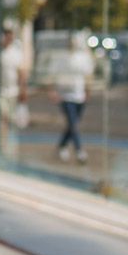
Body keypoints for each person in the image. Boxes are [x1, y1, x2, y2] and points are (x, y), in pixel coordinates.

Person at [54, 36, 94, 164]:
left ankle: (62, 145)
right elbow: (56, 75)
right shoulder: (63, 58)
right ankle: (79, 151)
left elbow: (88, 75)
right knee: (73, 123)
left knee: (73, 123)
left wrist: (88, 91)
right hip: (66, 96)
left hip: (79, 95)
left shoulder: (82, 58)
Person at [0, 25, 29, 158]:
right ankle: (2, 147)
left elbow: (21, 72)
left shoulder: (15, 53)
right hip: (1, 91)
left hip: (13, 92)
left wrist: (22, 89)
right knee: (2, 118)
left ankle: (10, 148)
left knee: (11, 120)